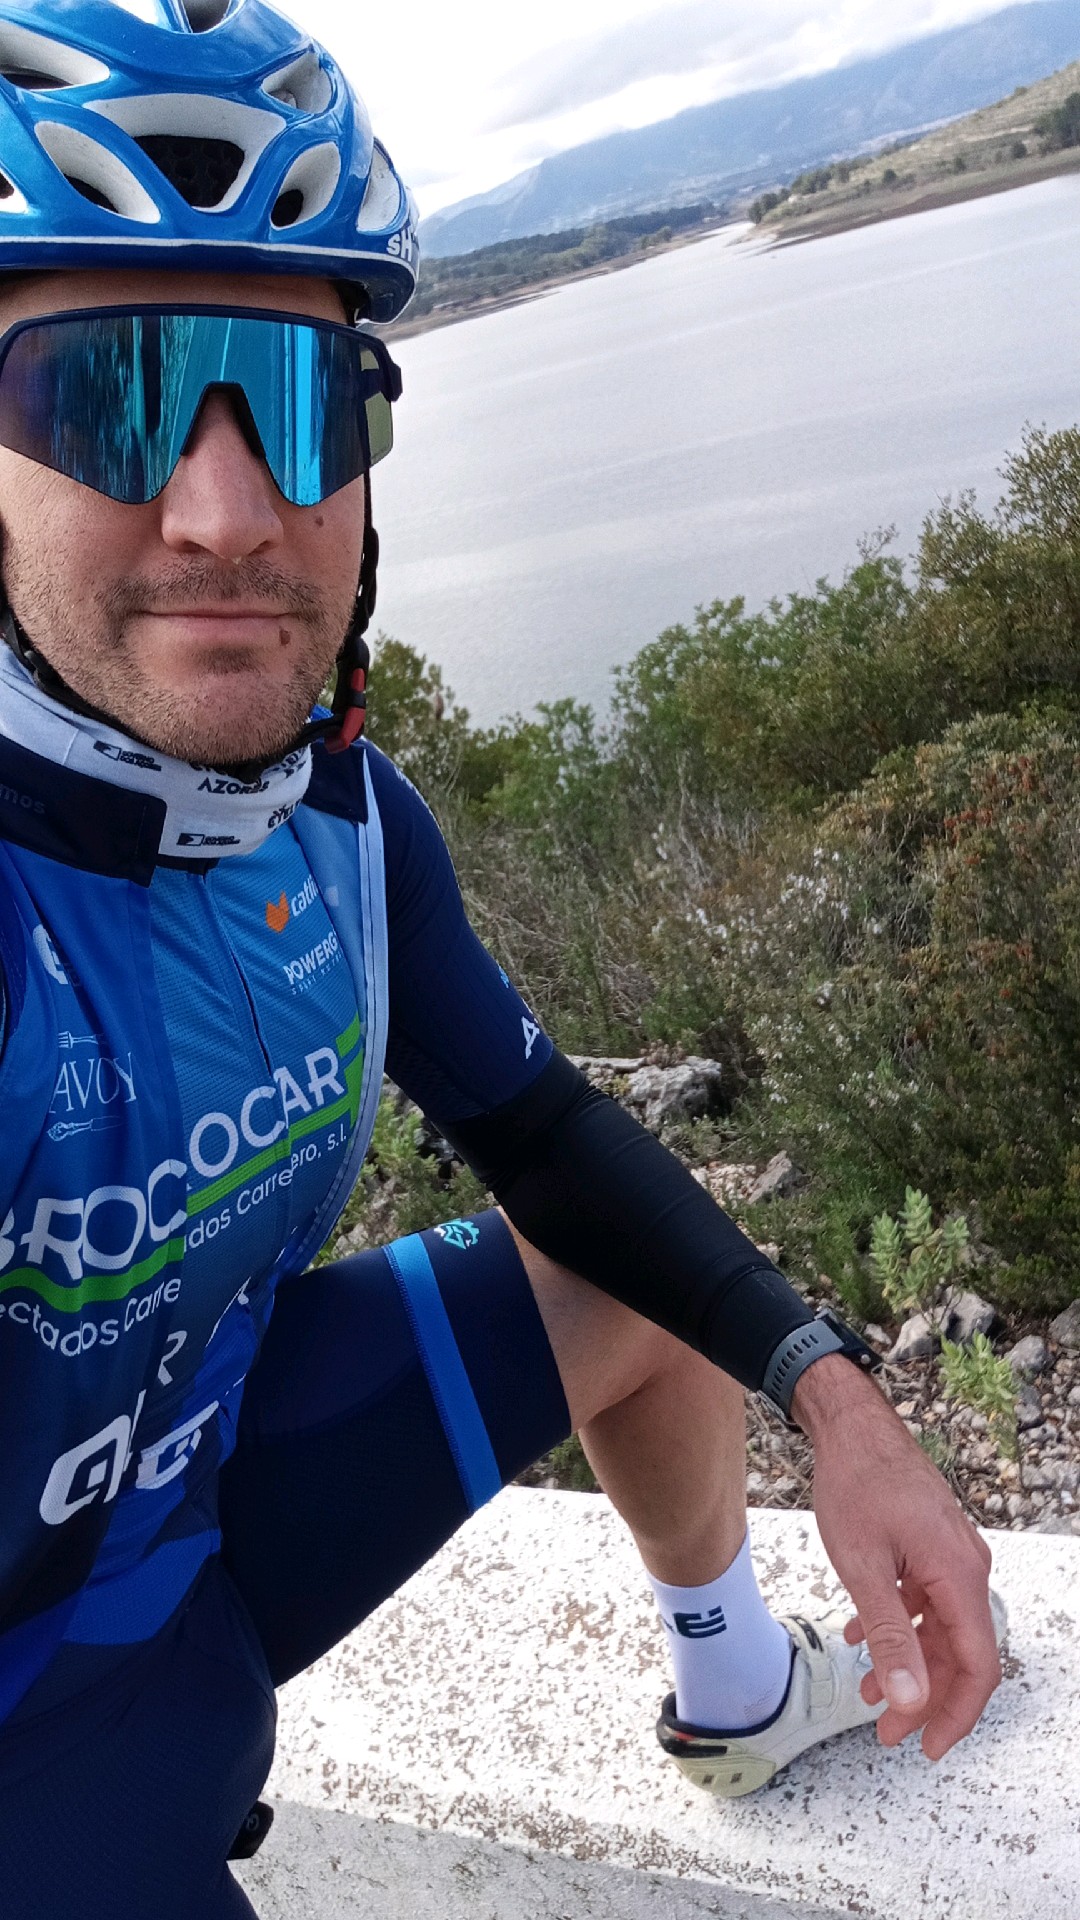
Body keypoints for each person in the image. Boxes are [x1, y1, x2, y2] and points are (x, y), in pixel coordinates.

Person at [0, 4, 1000, 1915]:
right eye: (110, 398)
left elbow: (544, 1135)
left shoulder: (341, 823)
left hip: (180, 1511)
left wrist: (835, 1395)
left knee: (627, 1259)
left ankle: (737, 1688)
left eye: (296, 403)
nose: (228, 513)